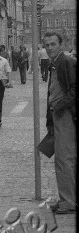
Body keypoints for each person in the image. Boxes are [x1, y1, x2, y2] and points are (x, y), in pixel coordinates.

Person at [43, 31, 76, 214]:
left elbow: (74, 90)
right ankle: (67, 197)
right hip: (59, 114)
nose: (49, 48)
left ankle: (68, 201)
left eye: (53, 44)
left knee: (65, 159)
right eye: (46, 45)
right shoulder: (54, 64)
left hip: (65, 116)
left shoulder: (66, 62)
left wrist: (58, 107)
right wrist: (50, 117)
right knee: (62, 158)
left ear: (61, 44)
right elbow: (52, 91)